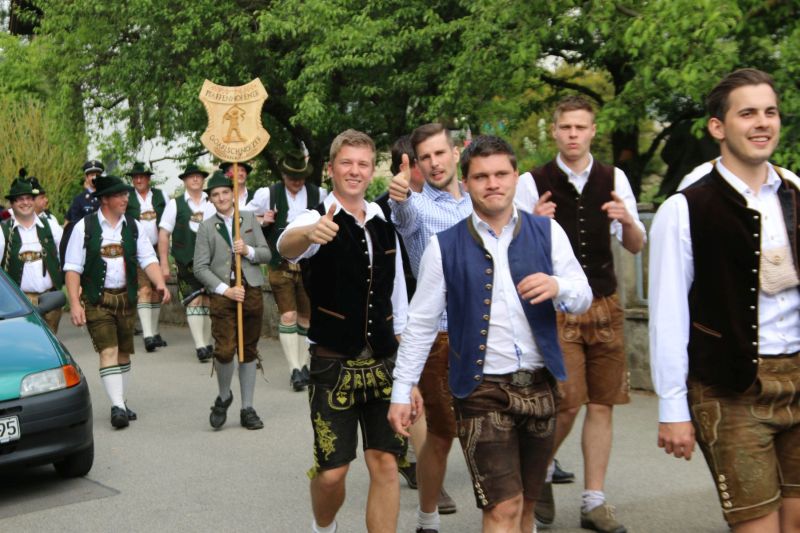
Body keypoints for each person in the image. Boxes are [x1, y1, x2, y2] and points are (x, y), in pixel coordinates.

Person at [388, 135, 592, 533]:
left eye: (501, 174)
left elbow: (582, 295)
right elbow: (421, 325)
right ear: (466, 183)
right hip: (481, 390)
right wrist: (401, 391)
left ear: (516, 176)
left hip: (540, 385)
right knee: (502, 508)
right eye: (481, 177)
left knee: (527, 506)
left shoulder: (548, 232)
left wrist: (558, 286)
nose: (493, 183)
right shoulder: (443, 247)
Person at [650, 68, 800, 533]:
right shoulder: (685, 208)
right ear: (718, 126)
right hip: (730, 388)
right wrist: (672, 408)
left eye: (770, 112)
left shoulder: (795, 192)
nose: (762, 123)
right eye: (748, 113)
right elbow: (668, 316)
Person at [515, 94, 645, 532]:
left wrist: (628, 220)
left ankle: (594, 500)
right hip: (559, 307)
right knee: (567, 403)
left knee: (603, 403)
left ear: (592, 131)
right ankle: (540, 471)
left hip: (606, 303)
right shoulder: (533, 181)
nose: (573, 134)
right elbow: (512, 249)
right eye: (566, 127)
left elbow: (635, 245)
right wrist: (533, 222)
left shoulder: (614, 177)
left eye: (580, 127)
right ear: (555, 131)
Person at [277, 129, 408, 533]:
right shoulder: (316, 218)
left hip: (384, 363)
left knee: (386, 463)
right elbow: (286, 245)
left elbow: (399, 302)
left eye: (363, 164)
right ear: (331, 169)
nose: (355, 171)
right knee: (333, 473)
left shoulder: (384, 223)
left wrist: (409, 375)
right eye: (346, 163)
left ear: (372, 171)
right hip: (333, 366)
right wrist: (308, 234)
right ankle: (324, 526)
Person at [387, 123, 474, 520]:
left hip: (485, 332)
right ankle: (427, 518)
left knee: (493, 428)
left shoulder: (478, 200)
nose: (435, 163)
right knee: (441, 435)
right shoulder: (417, 206)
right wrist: (401, 195)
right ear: (417, 165)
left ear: (456, 153)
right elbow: (403, 214)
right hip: (440, 337)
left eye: (440, 153)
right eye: (426, 157)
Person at [63, 175, 170, 429]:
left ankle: (120, 400)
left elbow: (148, 258)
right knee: (108, 350)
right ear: (105, 199)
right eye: (120, 195)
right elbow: (72, 268)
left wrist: (160, 283)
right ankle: (118, 407)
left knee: (123, 352)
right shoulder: (84, 227)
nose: (125, 198)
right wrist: (75, 303)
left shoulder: (133, 226)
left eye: (125, 194)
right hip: (97, 300)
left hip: (126, 298)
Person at [193, 171, 271, 431]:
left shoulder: (248, 218)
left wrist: (247, 250)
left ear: (233, 194)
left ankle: (247, 408)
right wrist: (225, 290)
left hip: (251, 291)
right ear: (211, 199)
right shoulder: (206, 227)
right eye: (215, 195)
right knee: (225, 350)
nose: (221, 198)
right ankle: (224, 395)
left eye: (225, 192)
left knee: (248, 350)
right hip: (223, 296)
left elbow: (266, 254)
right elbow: (200, 267)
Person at [246, 149, 327, 391]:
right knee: (288, 315)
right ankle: (294, 369)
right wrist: (263, 220)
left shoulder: (318, 194)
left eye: (300, 177)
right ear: (283, 175)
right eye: (292, 177)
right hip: (279, 263)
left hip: (309, 264)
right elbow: (244, 217)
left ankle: (303, 366)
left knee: (306, 317)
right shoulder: (268, 194)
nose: (297, 181)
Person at [377, 134, 425, 490]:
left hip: (438, 306)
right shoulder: (381, 208)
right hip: (401, 308)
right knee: (408, 385)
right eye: (423, 160)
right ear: (404, 167)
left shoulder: (445, 199)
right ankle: (413, 460)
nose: (433, 166)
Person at [158, 163, 216, 362]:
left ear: (203, 179)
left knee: (208, 300)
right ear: (184, 181)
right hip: (185, 260)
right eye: (191, 176)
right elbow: (164, 234)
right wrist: (164, 263)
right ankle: (200, 346)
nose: (196, 179)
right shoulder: (175, 204)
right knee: (194, 299)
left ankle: (207, 343)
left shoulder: (212, 201)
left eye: (199, 176)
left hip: (211, 260)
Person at [0, 178, 64, 333]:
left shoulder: (51, 226)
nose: (25, 202)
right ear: (12, 203)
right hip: (20, 303)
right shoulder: (3, 231)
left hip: (50, 299)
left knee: (50, 342)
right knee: (25, 341)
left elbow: (66, 258)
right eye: (20, 199)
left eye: (29, 198)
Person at [125, 162, 168, 352]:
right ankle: (148, 336)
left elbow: (168, 222)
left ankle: (155, 332)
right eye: (135, 177)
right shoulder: (126, 197)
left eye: (141, 176)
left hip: (158, 248)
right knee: (144, 290)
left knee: (157, 291)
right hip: (136, 251)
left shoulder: (161, 195)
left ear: (148, 178)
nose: (138, 180)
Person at [64, 159, 104, 226]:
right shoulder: (79, 200)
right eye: (92, 175)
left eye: (97, 175)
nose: (95, 177)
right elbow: (75, 224)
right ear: (86, 178)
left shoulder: (108, 197)